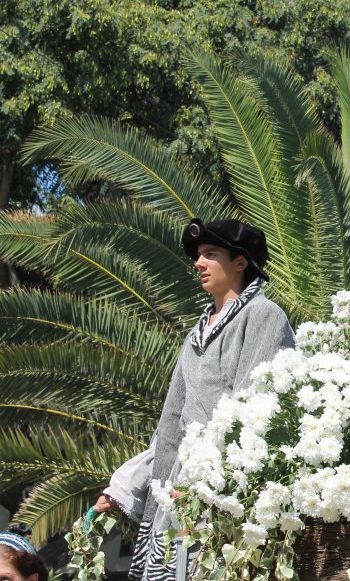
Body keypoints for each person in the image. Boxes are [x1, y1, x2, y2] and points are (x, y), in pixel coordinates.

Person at [92, 219, 294, 581]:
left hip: (227, 494)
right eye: (198, 256)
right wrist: (129, 487)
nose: (199, 263)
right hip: (178, 490)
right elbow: (171, 424)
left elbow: (251, 409)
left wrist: (205, 485)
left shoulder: (263, 315)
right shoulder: (195, 334)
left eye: (210, 254)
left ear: (240, 262)